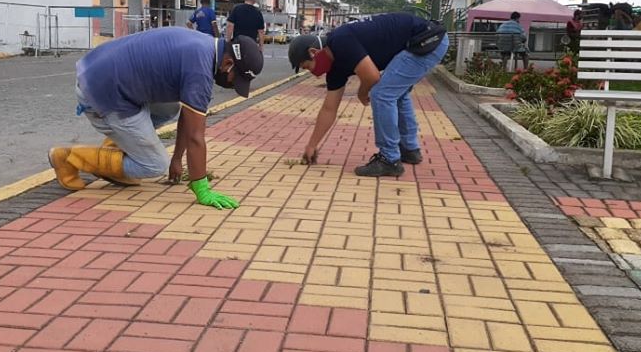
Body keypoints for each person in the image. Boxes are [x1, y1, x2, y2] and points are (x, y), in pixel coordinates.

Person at [49, 26, 264, 210]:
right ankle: (68, 158)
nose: (231, 85)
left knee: (170, 107)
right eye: (235, 80)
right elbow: (195, 137)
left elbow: (189, 118)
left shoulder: (204, 46)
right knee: (154, 165)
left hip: (101, 74)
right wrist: (201, 188)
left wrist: (178, 158)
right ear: (228, 63)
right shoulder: (200, 70)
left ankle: (118, 152)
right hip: (100, 93)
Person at [287, 12, 449, 178]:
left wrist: (362, 92)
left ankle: (389, 160)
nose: (313, 74)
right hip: (424, 40)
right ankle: (409, 149)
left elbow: (372, 77)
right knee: (396, 93)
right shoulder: (335, 70)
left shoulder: (340, 41)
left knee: (382, 94)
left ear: (313, 52)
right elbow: (329, 109)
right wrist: (312, 145)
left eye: (307, 67)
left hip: (427, 40)